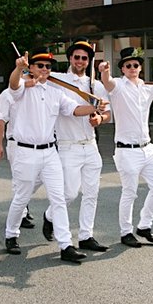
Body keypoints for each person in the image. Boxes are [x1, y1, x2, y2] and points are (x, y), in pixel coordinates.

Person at [3, 48, 104, 263]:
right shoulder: (22, 88)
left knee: (59, 199)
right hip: (25, 152)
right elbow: (13, 84)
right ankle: (11, 234)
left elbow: (74, 109)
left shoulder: (55, 93)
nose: (44, 69)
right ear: (31, 68)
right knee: (22, 197)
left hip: (50, 152)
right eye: (40, 65)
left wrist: (95, 107)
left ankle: (65, 245)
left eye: (48, 66)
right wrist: (19, 68)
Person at [98, 47, 153, 248]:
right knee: (129, 192)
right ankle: (125, 232)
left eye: (135, 65)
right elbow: (107, 82)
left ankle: (144, 226)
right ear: (122, 69)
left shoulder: (146, 88)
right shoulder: (118, 86)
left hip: (148, 148)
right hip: (126, 150)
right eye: (128, 65)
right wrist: (104, 70)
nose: (132, 67)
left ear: (140, 68)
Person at [43, 38, 111, 252]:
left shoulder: (96, 85)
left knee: (91, 193)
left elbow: (108, 113)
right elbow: (33, 75)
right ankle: (49, 216)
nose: (80, 61)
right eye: (76, 57)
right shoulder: (58, 80)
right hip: (67, 145)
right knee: (69, 194)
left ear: (89, 61)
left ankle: (86, 236)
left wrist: (100, 119)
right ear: (70, 58)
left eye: (84, 58)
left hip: (90, 145)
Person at [0, 84, 35, 230]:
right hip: (15, 142)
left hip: (33, 143)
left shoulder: (33, 93)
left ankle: (23, 208)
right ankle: (20, 215)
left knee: (31, 179)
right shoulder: (7, 94)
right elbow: (1, 120)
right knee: (19, 180)